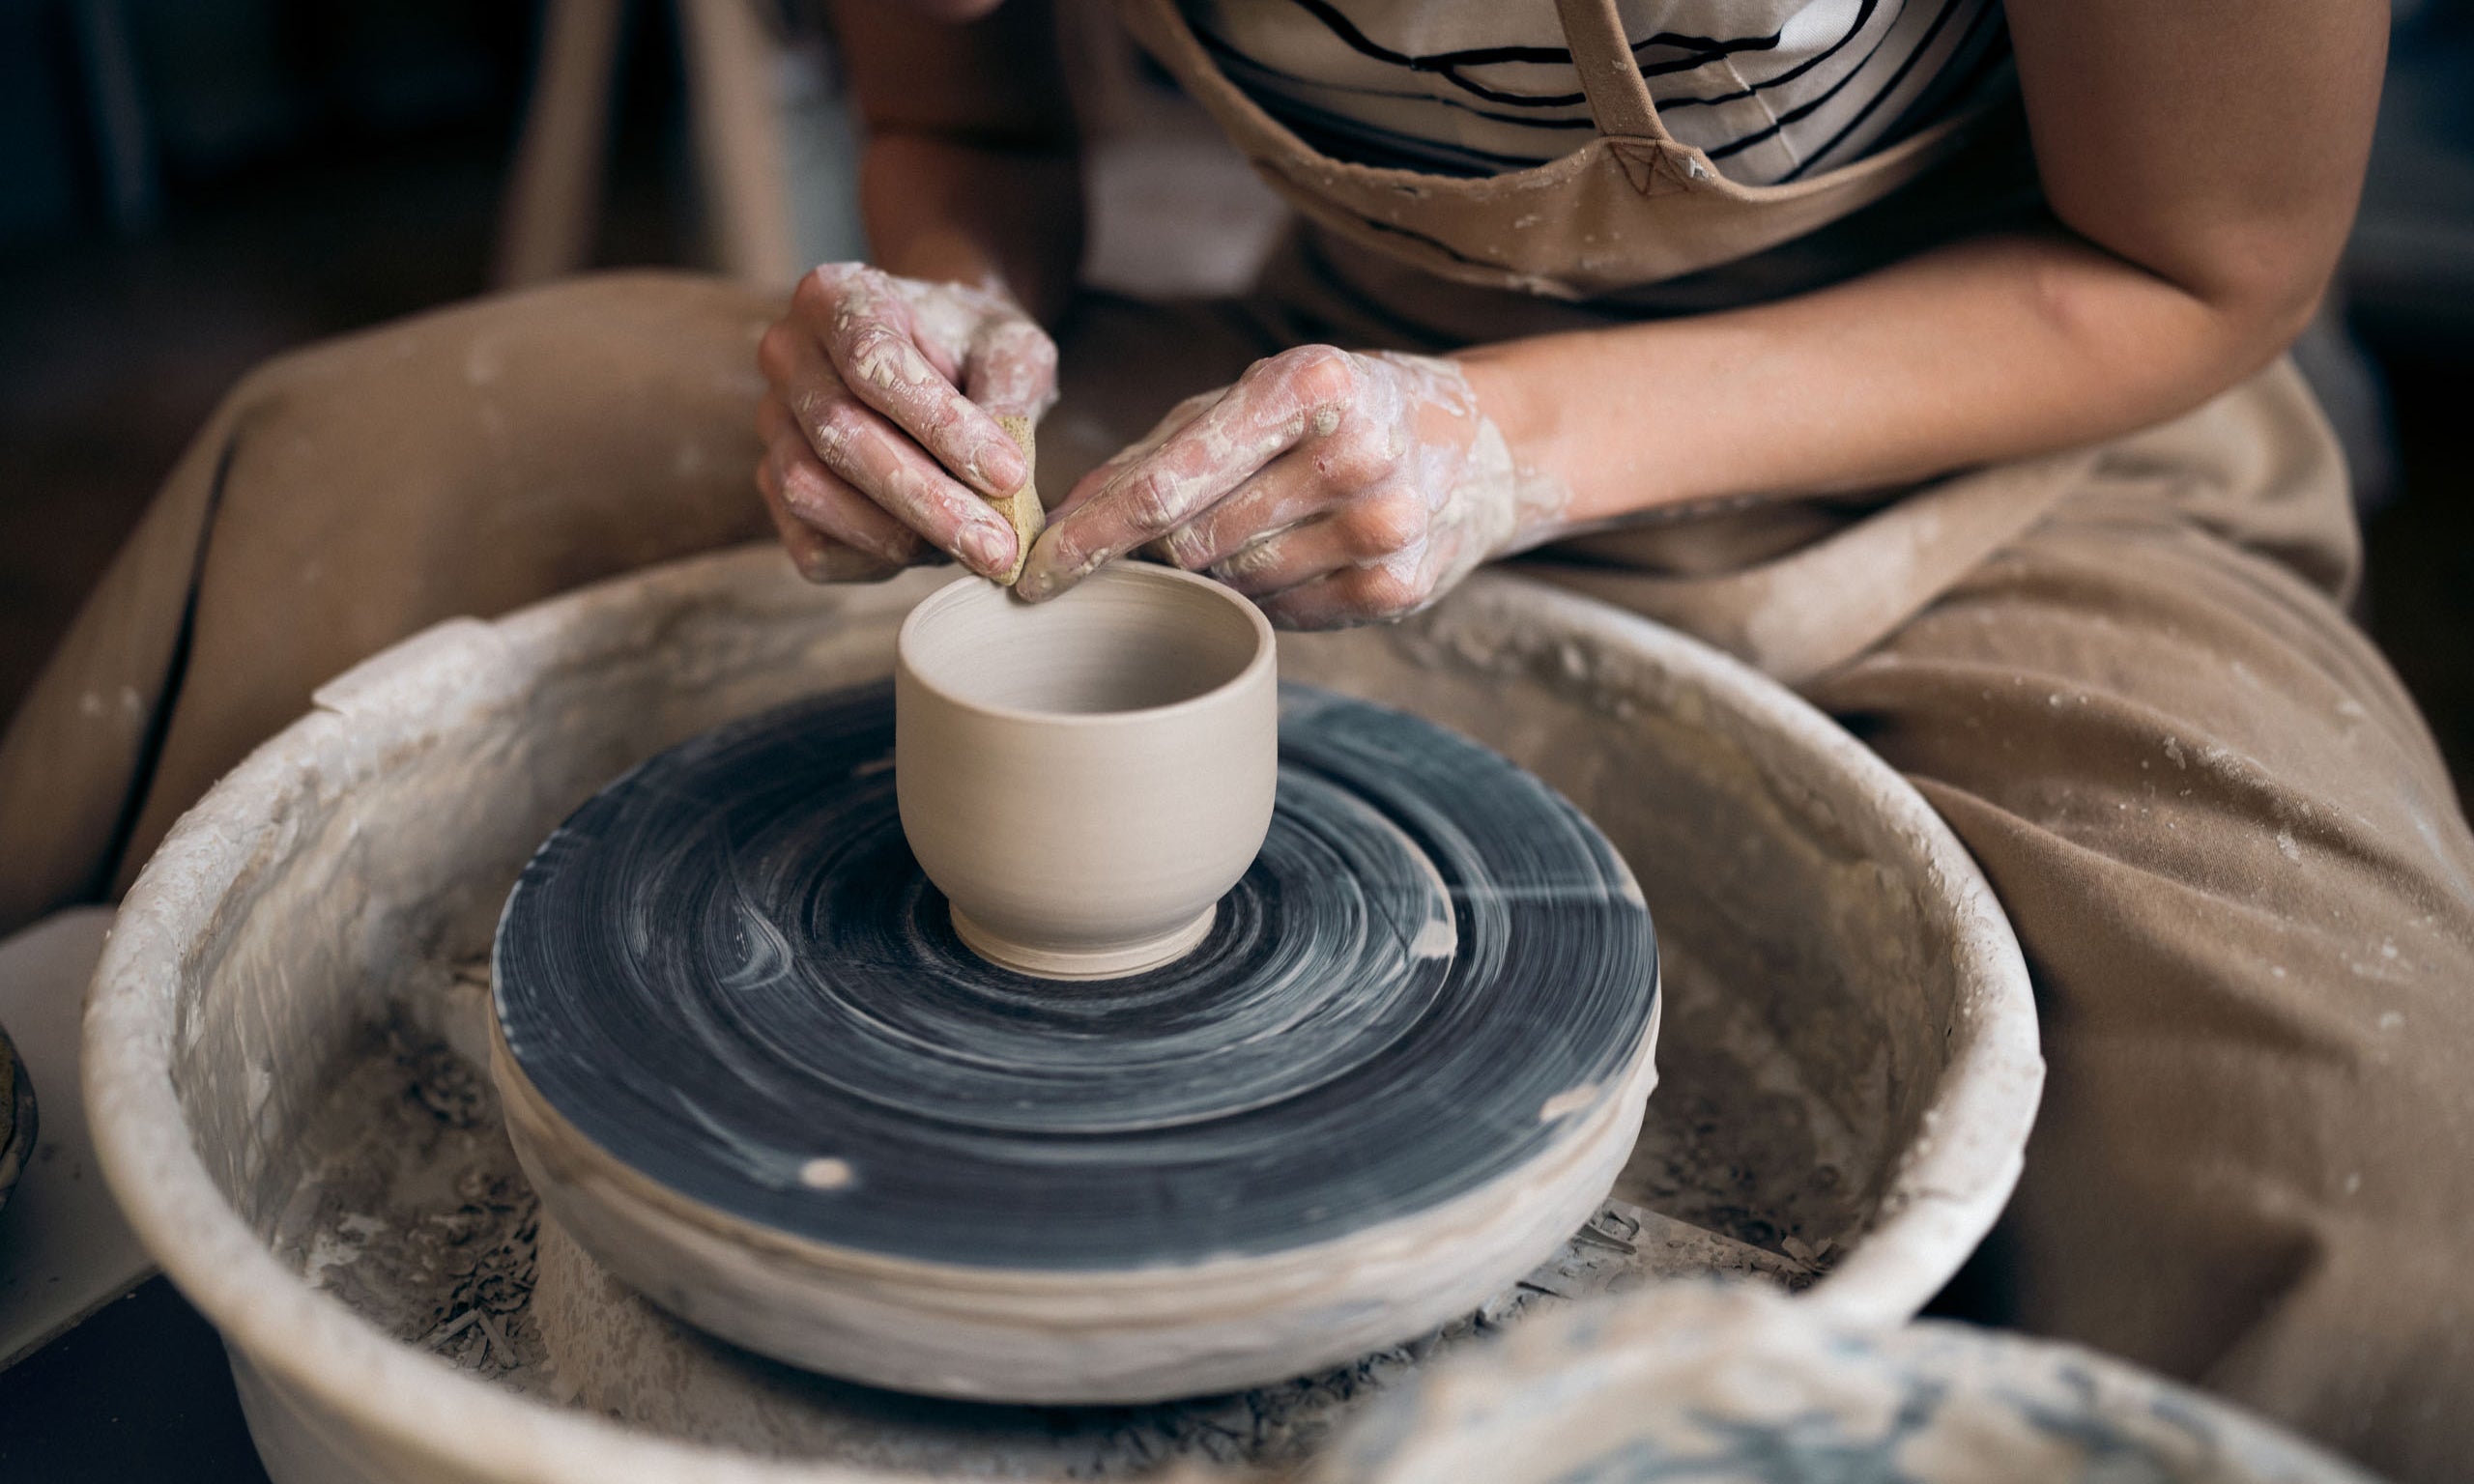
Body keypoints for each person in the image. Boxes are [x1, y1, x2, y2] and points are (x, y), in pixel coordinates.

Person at [0, 2, 2466, 1477]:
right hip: (1300, 404)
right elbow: (973, 149)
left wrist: (1508, 445)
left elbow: (2196, 258)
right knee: (353, 457)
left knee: (2356, 1177)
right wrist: (929, 335)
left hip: (1991, 449)